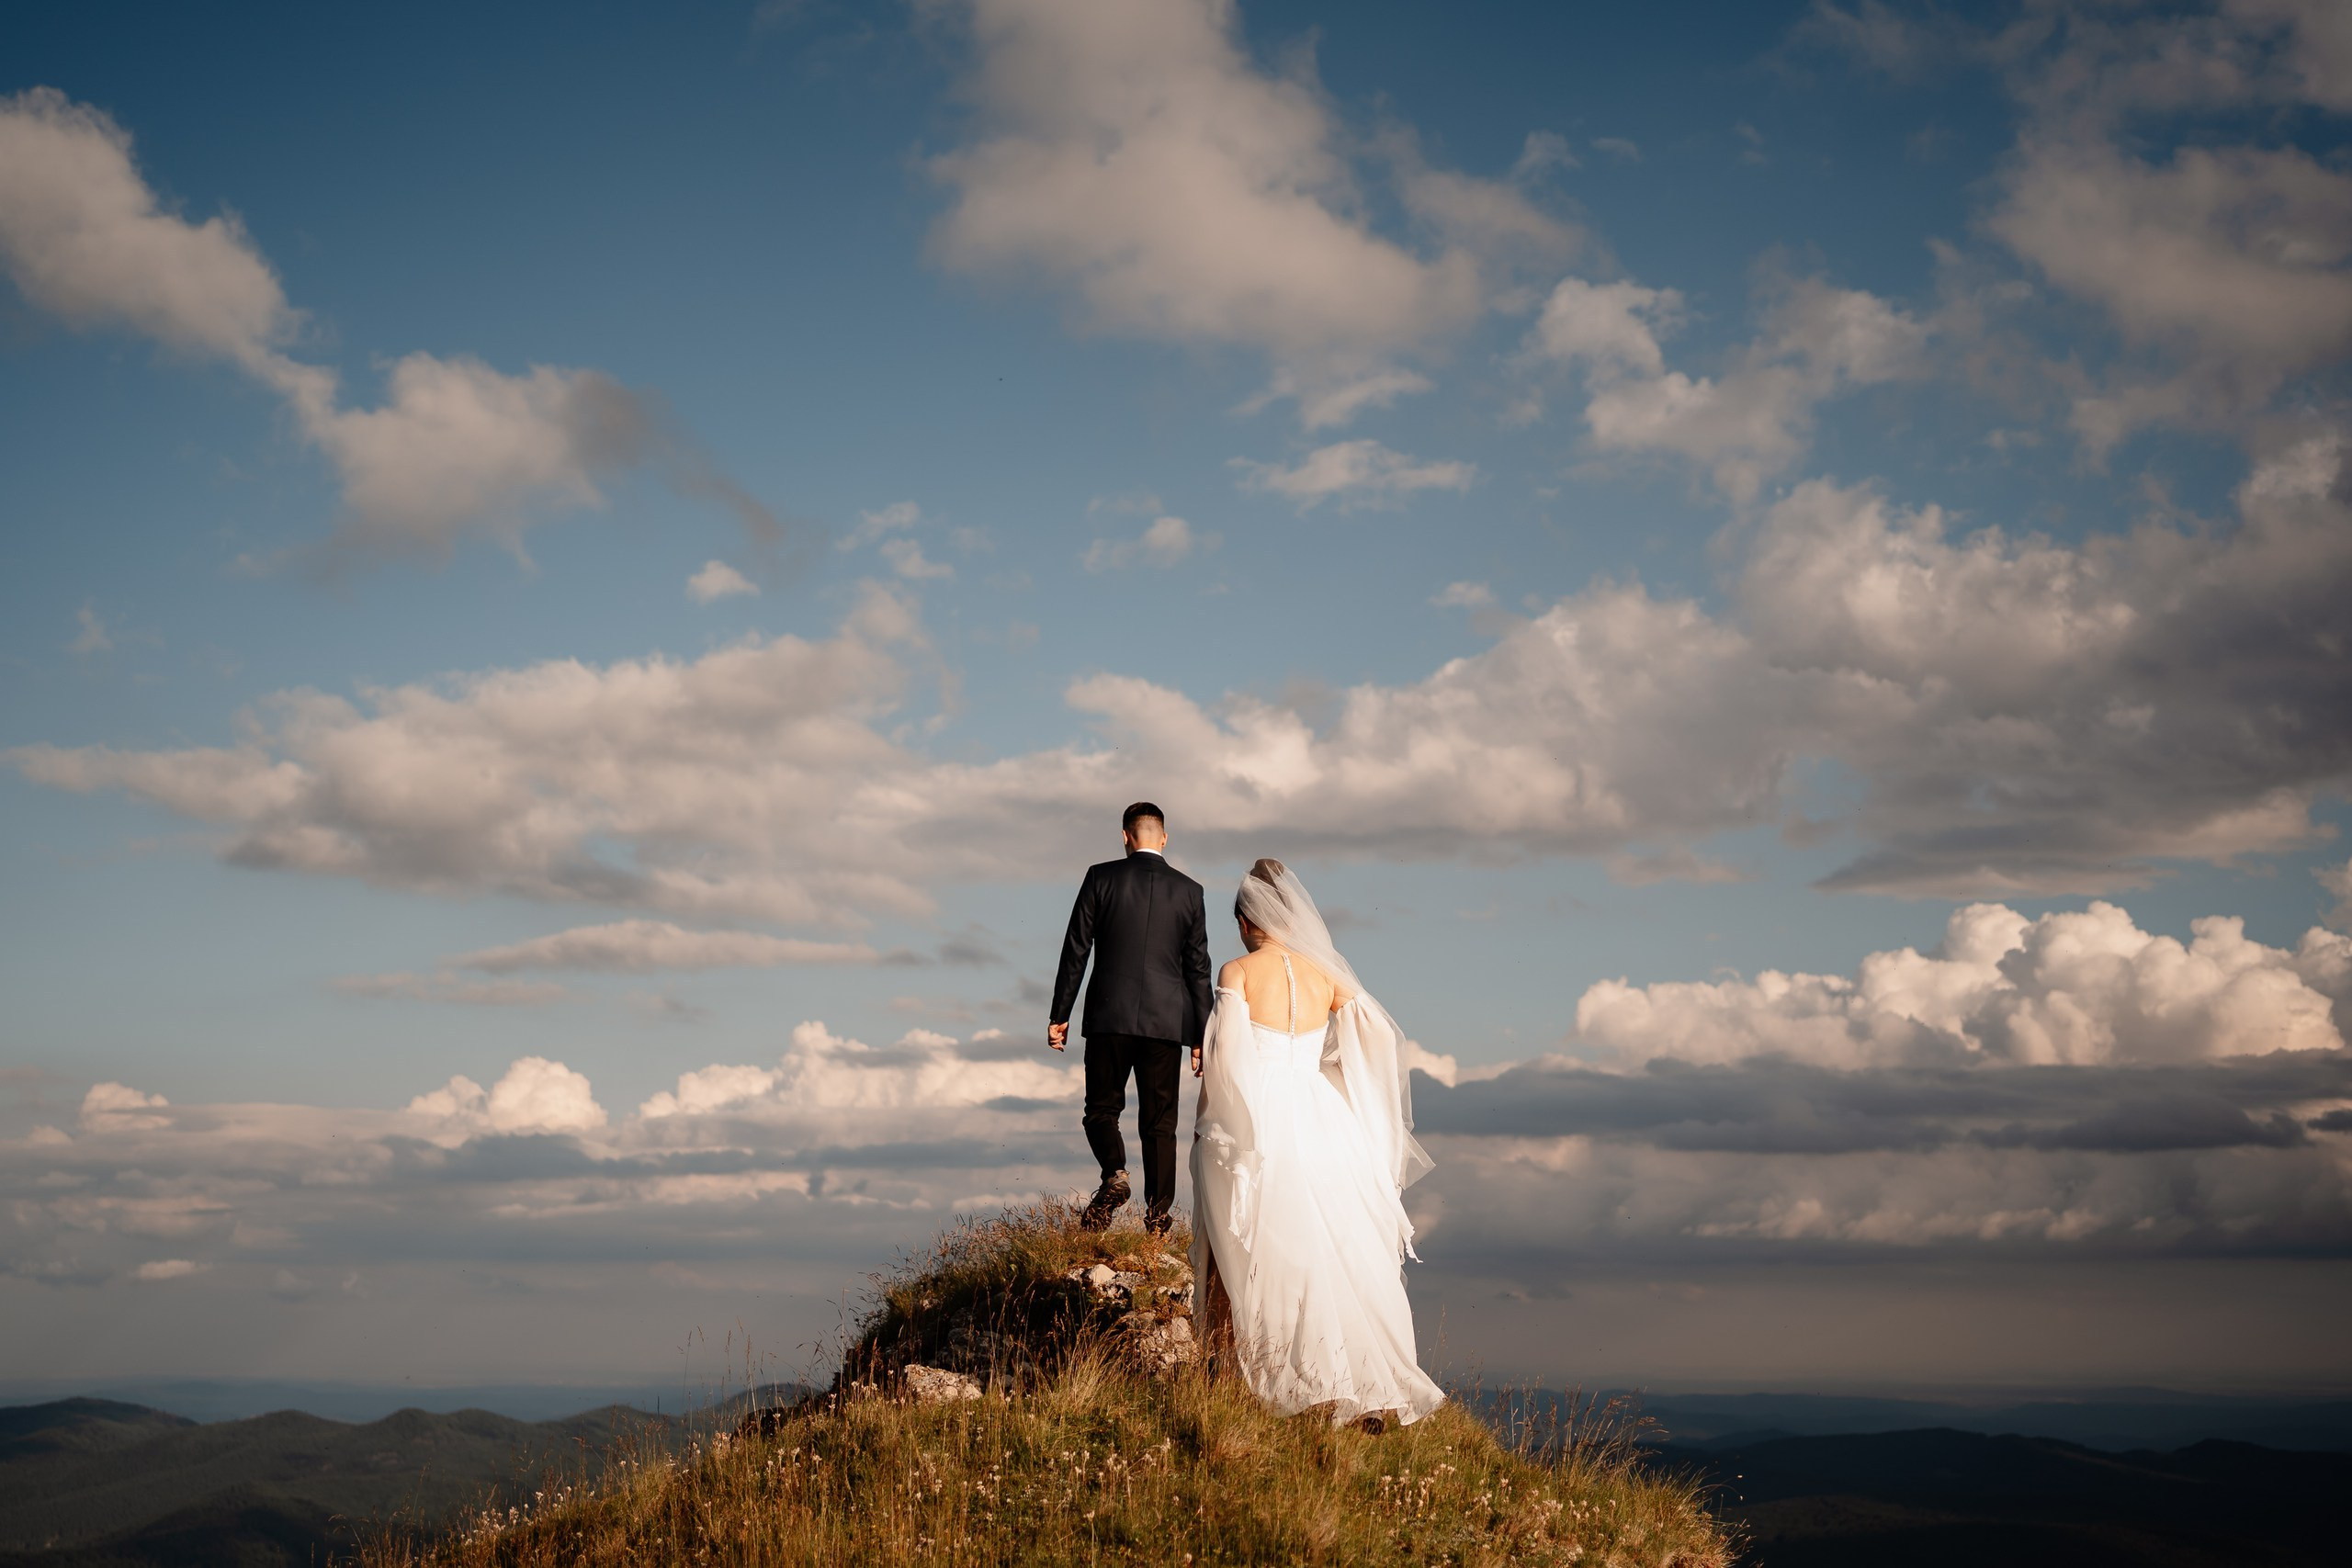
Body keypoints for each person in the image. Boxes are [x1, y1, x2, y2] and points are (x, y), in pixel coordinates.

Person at [1189, 857, 1445, 1430]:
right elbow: (1376, 1035)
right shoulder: (1327, 976)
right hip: (1322, 1116)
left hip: (1262, 1115)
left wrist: (1211, 1124)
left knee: (1253, 1245)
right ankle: (1361, 1381)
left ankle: (1266, 1376)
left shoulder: (1236, 972)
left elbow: (1227, 1063)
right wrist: (1331, 1074)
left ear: (1250, 917)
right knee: (1336, 1250)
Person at [1048, 802, 1213, 1235]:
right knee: (1160, 1125)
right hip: (1165, 1025)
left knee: (1101, 1110)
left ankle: (1115, 1174)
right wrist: (1202, 1034)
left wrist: (1059, 1013)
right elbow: (1198, 969)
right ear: (1164, 837)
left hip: (1109, 1018)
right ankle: (1157, 1224)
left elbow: (1075, 949)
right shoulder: (1190, 891)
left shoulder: (1100, 878)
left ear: (1125, 836)